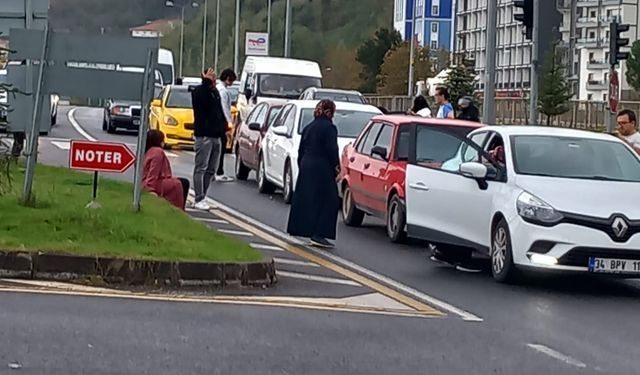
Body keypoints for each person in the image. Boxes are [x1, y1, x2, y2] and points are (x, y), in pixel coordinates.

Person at [287, 100, 340, 248]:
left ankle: (299, 228)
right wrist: (336, 167)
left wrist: (302, 165)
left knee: (307, 198)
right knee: (329, 200)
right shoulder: (330, 128)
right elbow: (331, 149)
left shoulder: (308, 127)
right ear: (329, 112)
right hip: (321, 166)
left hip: (306, 163)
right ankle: (319, 234)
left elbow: (301, 149)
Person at [191, 67, 227, 210]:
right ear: (204, 77)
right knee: (201, 167)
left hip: (216, 135)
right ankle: (198, 197)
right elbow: (201, 102)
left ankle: (203, 196)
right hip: (204, 135)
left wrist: (224, 129)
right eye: (210, 75)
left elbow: (219, 111)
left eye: (214, 75)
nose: (213, 77)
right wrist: (206, 82)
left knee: (211, 169)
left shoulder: (215, 92)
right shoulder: (199, 91)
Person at [143, 130, 189, 210]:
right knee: (178, 184)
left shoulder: (146, 151)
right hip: (154, 183)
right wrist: (150, 189)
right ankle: (179, 209)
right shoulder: (158, 152)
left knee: (183, 182)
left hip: (144, 182)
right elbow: (153, 172)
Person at [215, 68, 238, 182]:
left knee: (218, 147)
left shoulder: (217, 88)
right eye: (232, 80)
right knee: (222, 147)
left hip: (217, 122)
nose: (232, 83)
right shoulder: (223, 91)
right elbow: (225, 108)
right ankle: (219, 171)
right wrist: (229, 123)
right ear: (228, 79)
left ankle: (217, 170)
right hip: (222, 122)